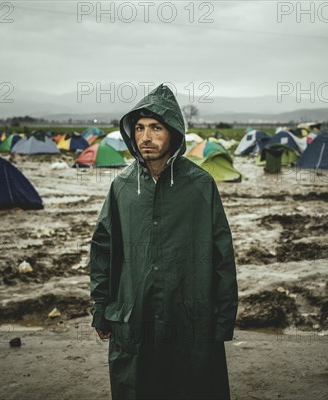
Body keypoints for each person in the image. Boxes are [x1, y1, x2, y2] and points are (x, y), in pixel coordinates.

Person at [90, 84, 238, 399]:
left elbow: (222, 254)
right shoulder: (123, 187)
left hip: (189, 321)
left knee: (192, 388)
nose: (146, 137)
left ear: (172, 132)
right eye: (140, 128)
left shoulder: (200, 186)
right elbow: (103, 250)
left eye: (156, 128)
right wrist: (101, 309)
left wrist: (224, 318)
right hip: (135, 317)